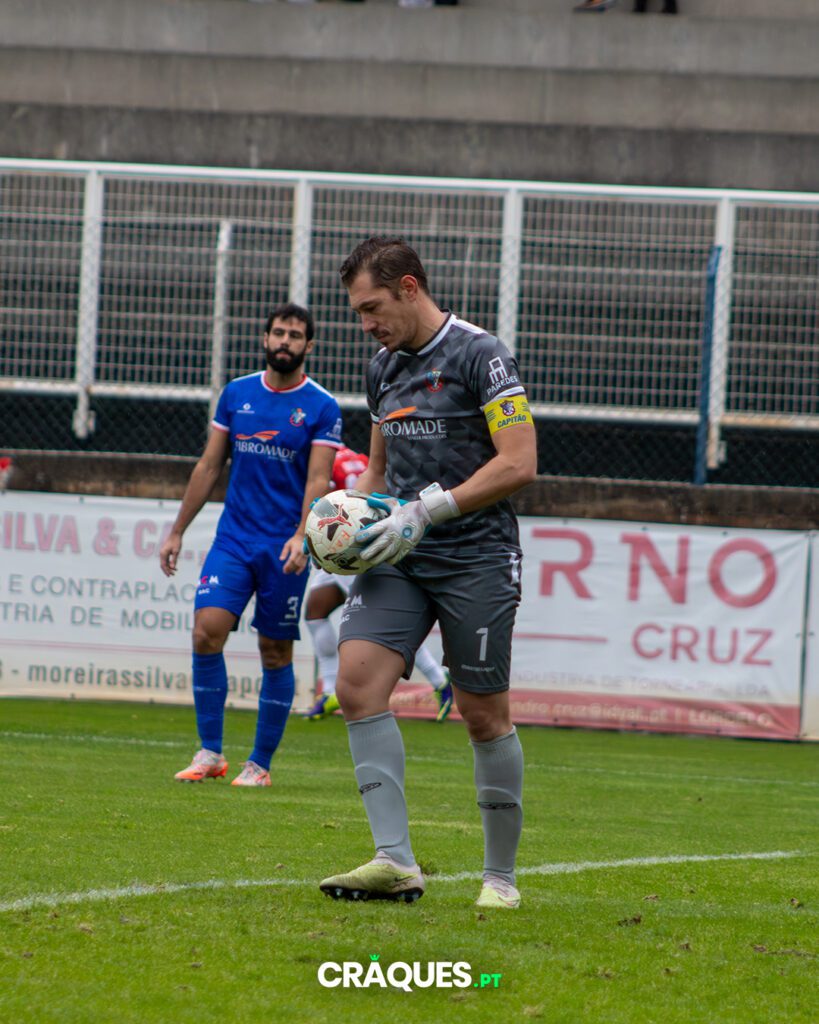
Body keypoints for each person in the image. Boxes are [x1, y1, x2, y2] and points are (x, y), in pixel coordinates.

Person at [317, 237, 537, 909]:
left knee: (481, 714)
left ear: (409, 288)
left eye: (372, 307)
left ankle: (499, 877)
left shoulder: (481, 354)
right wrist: (358, 528)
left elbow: (519, 461)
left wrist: (429, 509)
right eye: (358, 312)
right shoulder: (381, 367)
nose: (367, 323)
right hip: (400, 558)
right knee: (356, 686)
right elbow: (378, 472)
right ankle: (394, 861)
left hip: (475, 555)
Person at [160, 303, 343, 787]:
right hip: (234, 539)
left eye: (295, 335)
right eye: (278, 333)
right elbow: (207, 466)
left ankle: (259, 765)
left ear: (309, 345)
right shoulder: (237, 394)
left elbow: (319, 480)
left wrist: (303, 535)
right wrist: (177, 529)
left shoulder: (322, 406)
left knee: (274, 651)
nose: (285, 341)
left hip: (284, 546)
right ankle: (209, 753)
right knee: (206, 631)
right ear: (265, 339)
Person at [304, 445, 454, 723]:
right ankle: (328, 690)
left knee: (387, 627)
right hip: (345, 542)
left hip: (349, 546)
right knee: (315, 611)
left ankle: (440, 682)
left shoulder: (318, 461)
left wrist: (311, 533)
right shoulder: (356, 457)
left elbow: (329, 502)